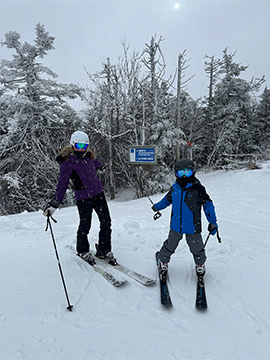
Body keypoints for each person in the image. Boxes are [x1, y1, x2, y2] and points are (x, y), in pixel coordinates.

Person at [43, 130, 116, 265]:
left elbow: (96, 163)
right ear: (72, 145)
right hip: (83, 198)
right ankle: (82, 250)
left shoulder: (89, 156)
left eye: (84, 146)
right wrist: (55, 203)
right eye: (78, 146)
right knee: (85, 225)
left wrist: (101, 167)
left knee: (106, 222)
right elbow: (62, 184)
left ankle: (104, 250)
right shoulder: (67, 162)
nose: (82, 149)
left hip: (98, 194)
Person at [152, 158, 218, 277]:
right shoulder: (175, 188)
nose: (183, 176)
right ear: (176, 173)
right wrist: (157, 207)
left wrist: (212, 221)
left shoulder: (198, 188)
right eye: (180, 173)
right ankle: (163, 261)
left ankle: (200, 265)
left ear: (193, 172)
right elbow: (167, 200)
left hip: (192, 225)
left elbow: (208, 205)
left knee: (197, 247)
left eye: (187, 172)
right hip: (176, 225)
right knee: (170, 245)